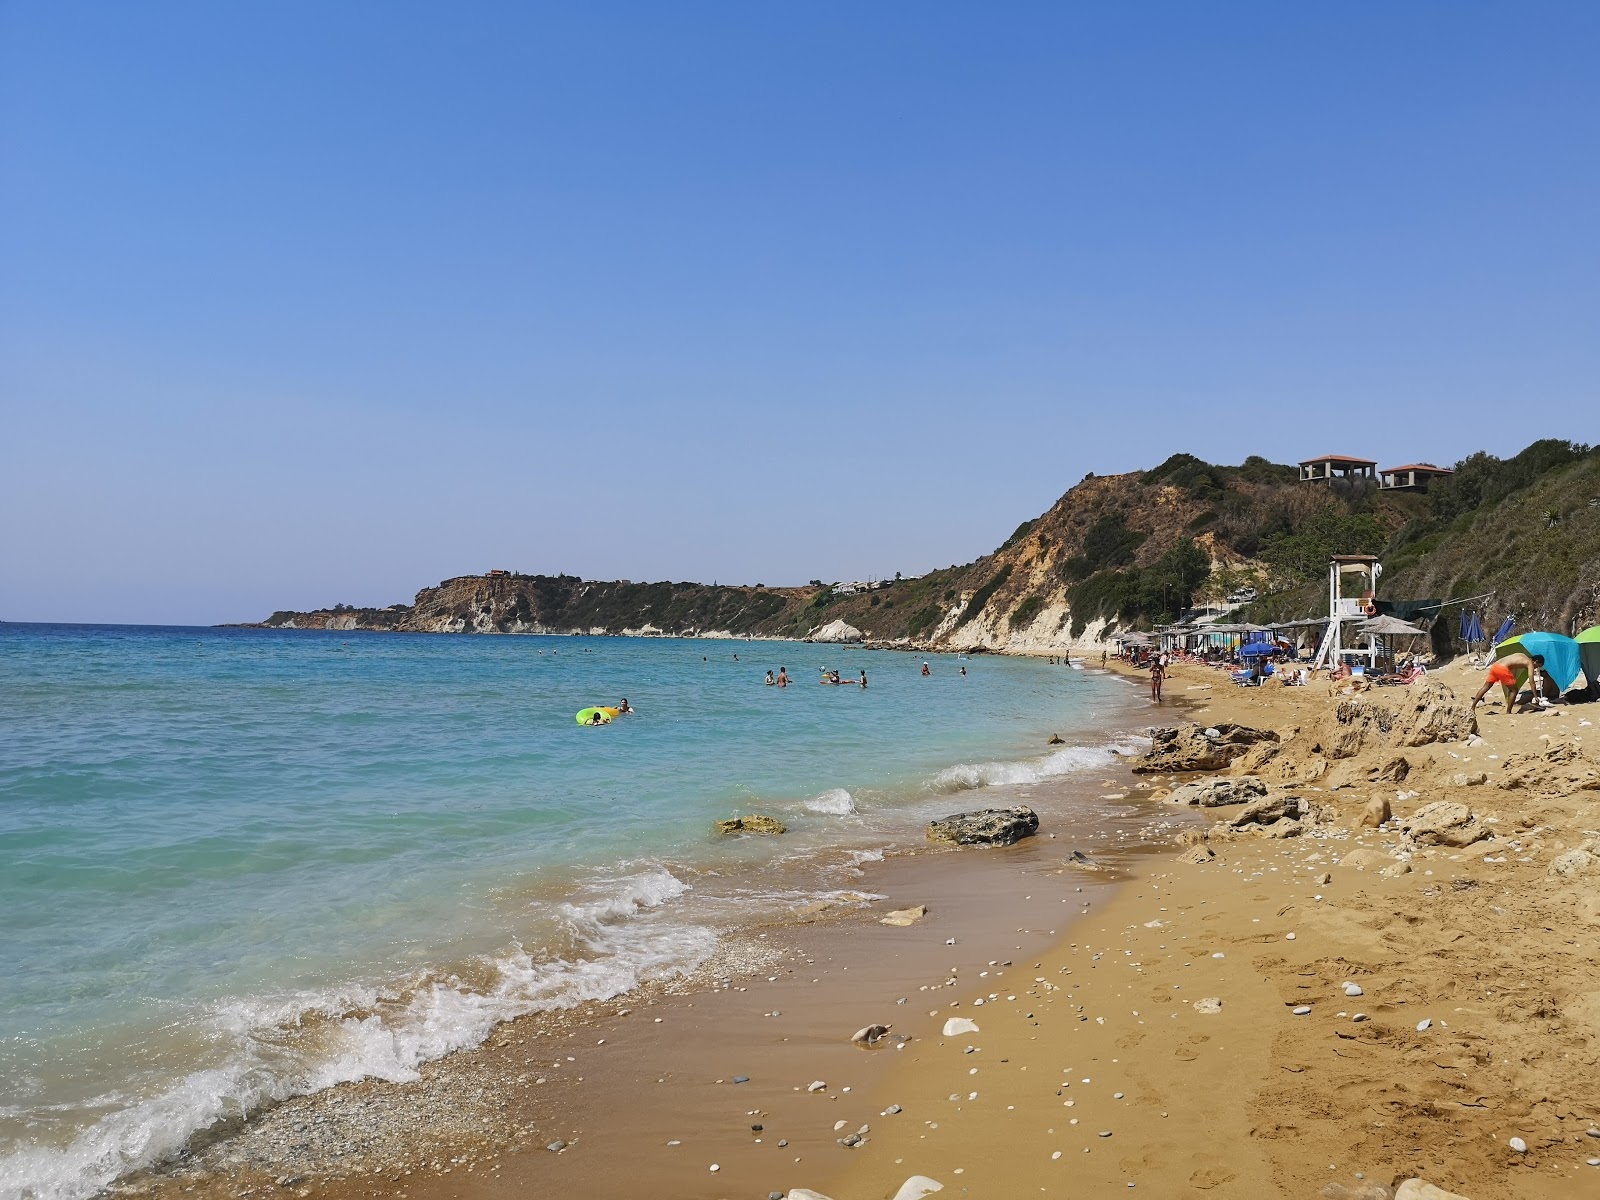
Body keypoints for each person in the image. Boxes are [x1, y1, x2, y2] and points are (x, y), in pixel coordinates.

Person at [1473, 652, 1545, 714]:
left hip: (1495, 666)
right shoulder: (1530, 664)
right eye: (1538, 666)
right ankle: (1508, 712)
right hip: (1502, 668)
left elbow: (1512, 663)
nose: (1536, 668)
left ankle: (1472, 707)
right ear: (1536, 661)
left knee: (1486, 687)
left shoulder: (1522, 655)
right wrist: (1535, 696)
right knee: (1514, 690)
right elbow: (1532, 681)